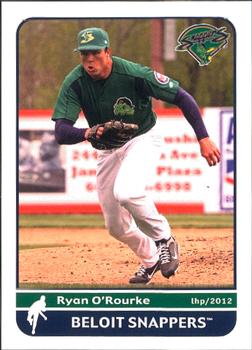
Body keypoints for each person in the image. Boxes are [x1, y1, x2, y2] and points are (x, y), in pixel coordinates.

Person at [52, 27, 221, 284]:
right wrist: (89, 132)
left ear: (107, 51)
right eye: (84, 54)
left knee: (128, 192)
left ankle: (164, 238)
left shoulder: (133, 74)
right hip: (107, 151)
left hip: (142, 138)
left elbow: (182, 97)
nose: (89, 60)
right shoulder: (75, 82)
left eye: (95, 52)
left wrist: (203, 137)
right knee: (115, 227)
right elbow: (62, 132)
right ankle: (151, 259)